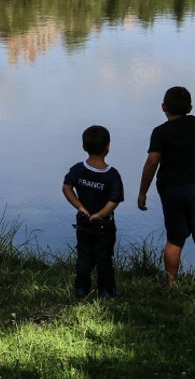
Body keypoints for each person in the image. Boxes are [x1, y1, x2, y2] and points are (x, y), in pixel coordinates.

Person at [138, 86, 195, 287]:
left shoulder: (160, 133)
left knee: (175, 239)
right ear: (190, 108)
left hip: (171, 190)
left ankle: (171, 284)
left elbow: (152, 161)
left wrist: (142, 192)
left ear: (164, 107)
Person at [63, 125, 124, 299]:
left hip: (83, 222)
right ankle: (107, 291)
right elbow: (114, 200)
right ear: (108, 147)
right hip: (104, 224)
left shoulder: (78, 169)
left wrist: (80, 207)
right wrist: (101, 214)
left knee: (84, 256)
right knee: (104, 257)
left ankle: (81, 289)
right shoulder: (112, 175)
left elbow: (66, 187)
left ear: (84, 147)